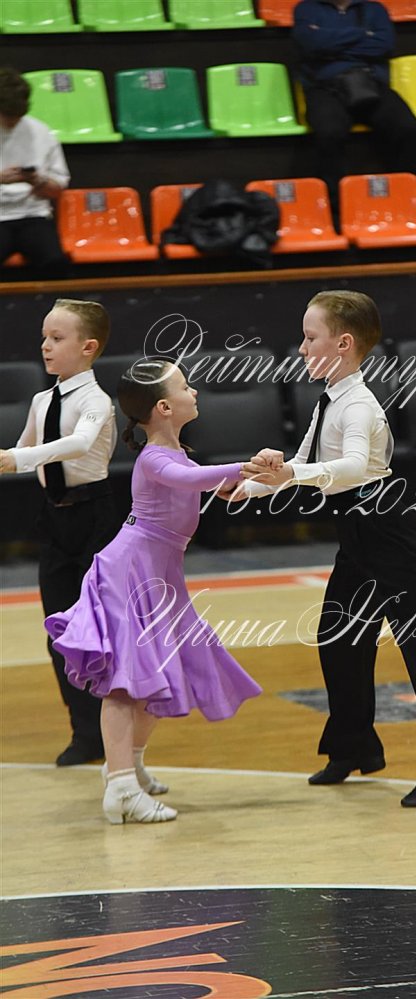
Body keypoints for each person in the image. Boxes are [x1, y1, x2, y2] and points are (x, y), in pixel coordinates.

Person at [236, 290, 416, 807]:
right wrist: (247, 487)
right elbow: (302, 464)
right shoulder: (329, 399)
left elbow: (348, 468)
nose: (302, 348)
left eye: (310, 337)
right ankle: (353, 747)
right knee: (339, 639)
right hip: (356, 533)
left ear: (342, 344)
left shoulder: (360, 405)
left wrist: (289, 473)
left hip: (387, 530)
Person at [43, 360, 264, 824]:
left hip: (160, 578)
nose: (194, 391)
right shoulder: (154, 458)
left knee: (159, 676)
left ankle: (127, 766)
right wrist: (242, 465)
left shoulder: (178, 453)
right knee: (125, 684)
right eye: (185, 386)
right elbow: (189, 481)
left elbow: (206, 485)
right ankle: (121, 790)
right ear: (164, 407)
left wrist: (251, 480)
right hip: (131, 574)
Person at [0, 299, 117, 767]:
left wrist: (17, 458)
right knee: (59, 631)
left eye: (57, 338)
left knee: (99, 631)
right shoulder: (41, 401)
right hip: (54, 518)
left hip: (96, 520)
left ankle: (114, 728)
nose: (45, 346)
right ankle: (84, 732)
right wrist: (10, 457)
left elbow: (79, 444)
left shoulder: (96, 401)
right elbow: (23, 450)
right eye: (44, 337)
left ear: (88, 347)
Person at [292, 0, 416, 220]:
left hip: (371, 83)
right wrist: (361, 34)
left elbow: (384, 45)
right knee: (329, 133)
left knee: (408, 129)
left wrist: (329, 44)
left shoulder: (374, 9)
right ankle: (335, 211)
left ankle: (415, 203)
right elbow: (311, 44)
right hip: (325, 87)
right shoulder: (307, 8)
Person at [0, 66, 69, 274]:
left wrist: (37, 181)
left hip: (33, 215)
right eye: (7, 116)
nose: (13, 122)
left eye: (18, 116)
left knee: (56, 263)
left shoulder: (41, 131)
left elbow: (57, 190)